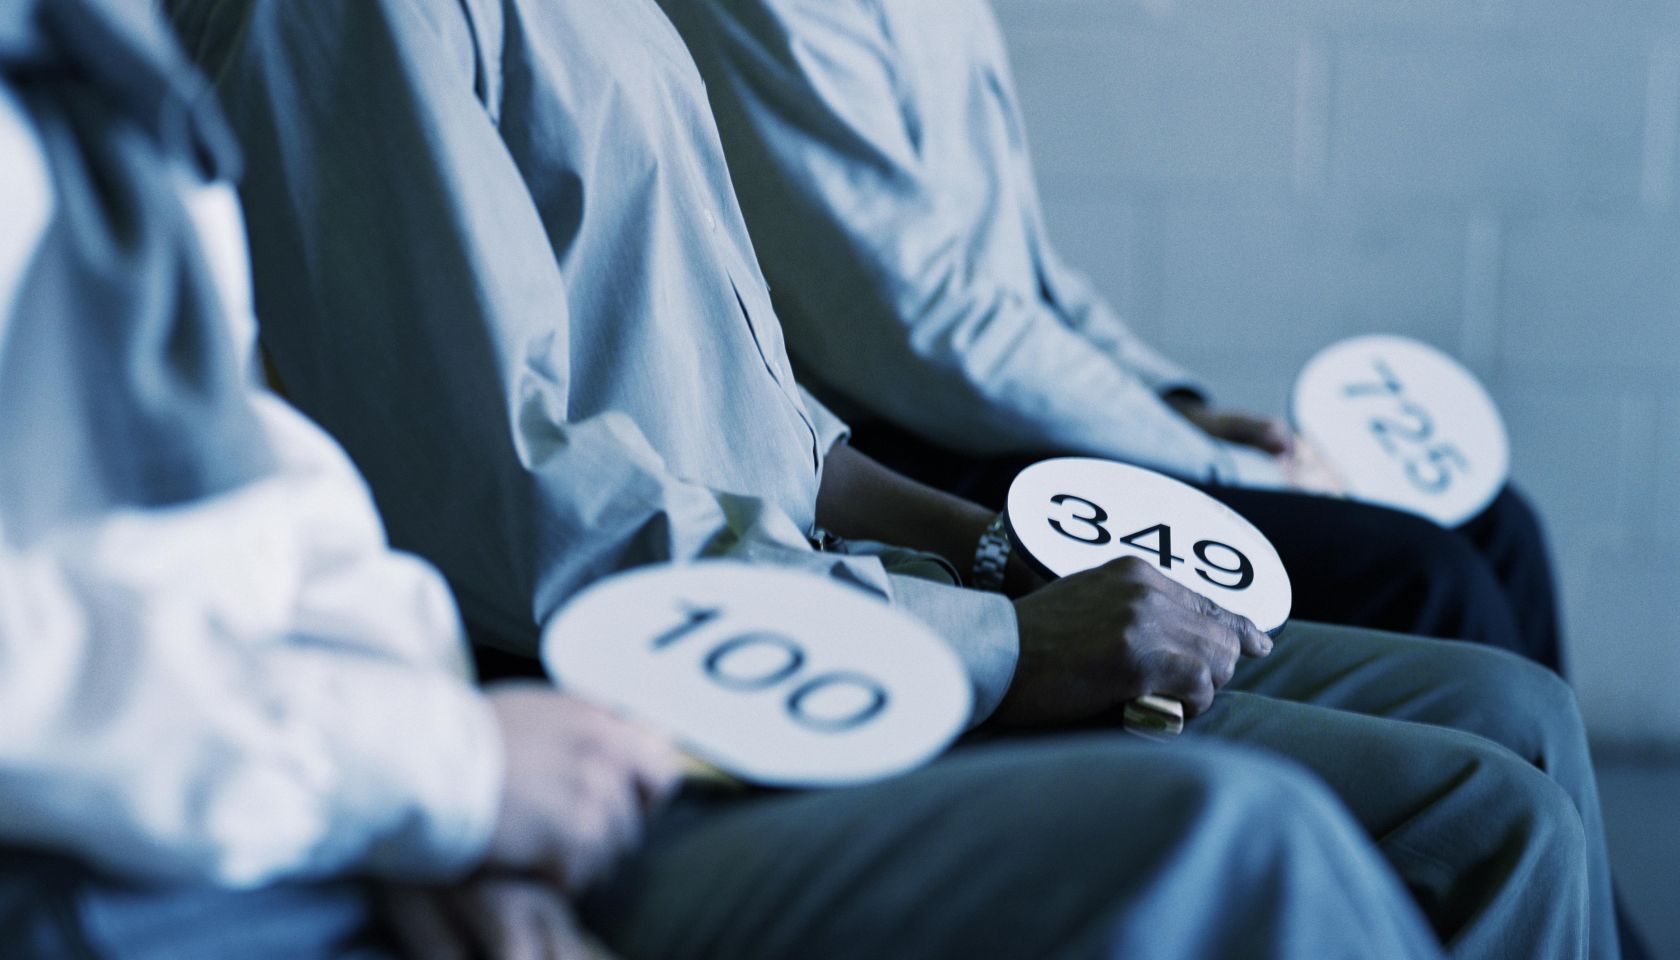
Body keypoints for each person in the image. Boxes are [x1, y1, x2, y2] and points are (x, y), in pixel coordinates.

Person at [0, 3, 1463, 958]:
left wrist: (998, 553)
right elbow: (515, 506)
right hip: (621, 679)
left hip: (650, 643)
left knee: (1484, 737)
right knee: (1272, 833)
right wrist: (996, 642)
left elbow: (760, 418)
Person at [655, 0, 1566, 674]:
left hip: (997, 418)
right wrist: (1224, 469)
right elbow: (924, 330)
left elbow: (1027, 277)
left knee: (1500, 527)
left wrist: (1182, 408)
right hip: (909, 457)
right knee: (1429, 577)